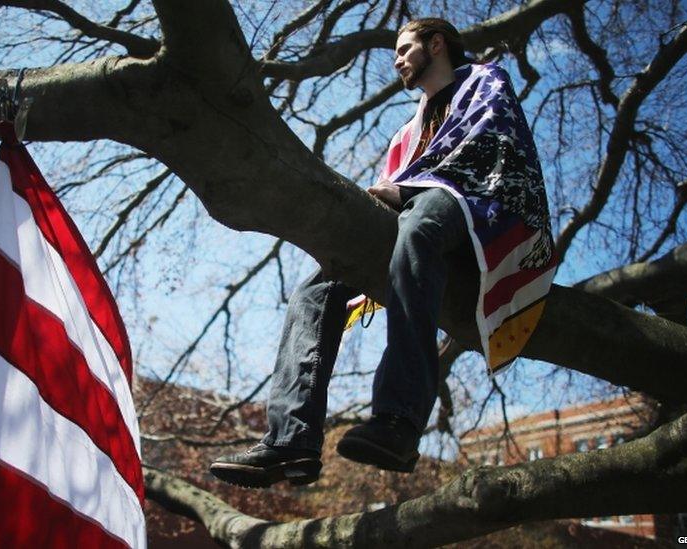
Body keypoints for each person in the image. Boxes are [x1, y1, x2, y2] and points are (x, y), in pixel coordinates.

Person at [209, 18, 556, 488]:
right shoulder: (406, 133)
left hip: (481, 209)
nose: (396, 59)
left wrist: (407, 191)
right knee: (318, 286)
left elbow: (491, 149)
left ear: (436, 45)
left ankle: (400, 419)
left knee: (420, 222)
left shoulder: (484, 80)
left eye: (404, 48)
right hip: (419, 220)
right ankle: (291, 437)